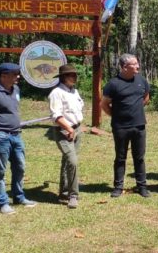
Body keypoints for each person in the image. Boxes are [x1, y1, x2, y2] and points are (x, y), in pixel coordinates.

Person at [0, 62, 37, 215]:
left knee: (20, 167)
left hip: (16, 135)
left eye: (17, 74)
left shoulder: (16, 90)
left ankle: (19, 197)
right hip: (1, 136)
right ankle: (2, 202)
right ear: (3, 76)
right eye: (14, 74)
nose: (17, 77)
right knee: (0, 170)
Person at [101, 54, 151, 198]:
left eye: (137, 63)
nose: (138, 66)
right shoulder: (113, 84)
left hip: (139, 126)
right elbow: (104, 104)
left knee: (139, 157)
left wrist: (136, 110)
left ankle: (142, 186)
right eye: (134, 64)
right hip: (121, 127)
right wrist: (117, 115)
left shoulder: (142, 81)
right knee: (120, 157)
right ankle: (118, 187)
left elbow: (146, 97)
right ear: (124, 67)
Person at [48, 64, 85, 209]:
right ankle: (73, 195)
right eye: (72, 75)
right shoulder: (56, 93)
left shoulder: (74, 91)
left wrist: (77, 127)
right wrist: (69, 128)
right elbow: (56, 115)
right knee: (72, 161)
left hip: (76, 129)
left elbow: (79, 107)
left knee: (67, 161)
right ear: (64, 77)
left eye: (75, 75)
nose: (75, 77)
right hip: (63, 131)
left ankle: (63, 190)